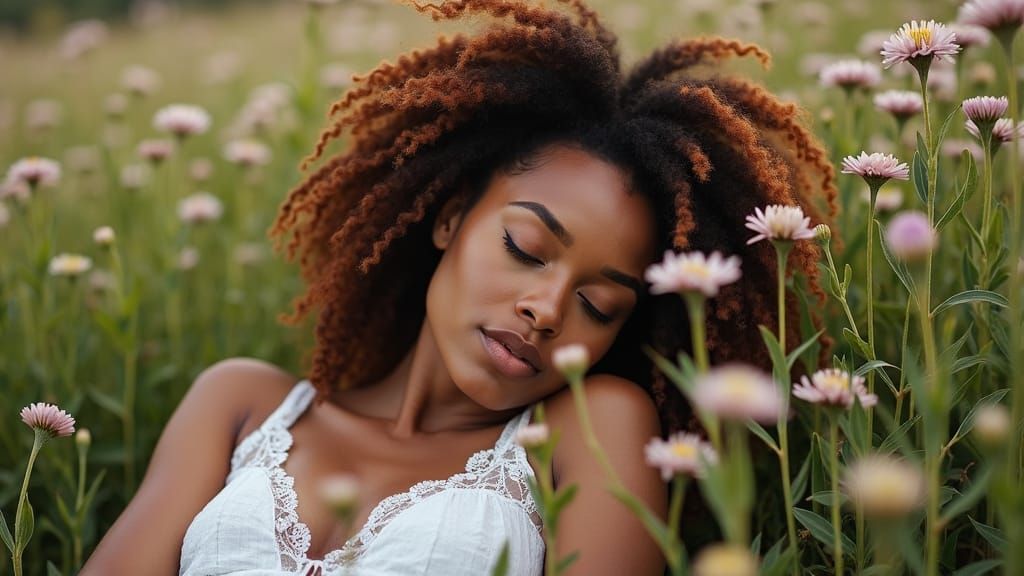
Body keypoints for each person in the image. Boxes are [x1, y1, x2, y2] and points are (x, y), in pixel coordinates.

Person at [81, 0, 836, 574]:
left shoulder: (586, 430)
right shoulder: (239, 404)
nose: (545, 310)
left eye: (599, 304)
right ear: (448, 219)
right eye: (525, 247)